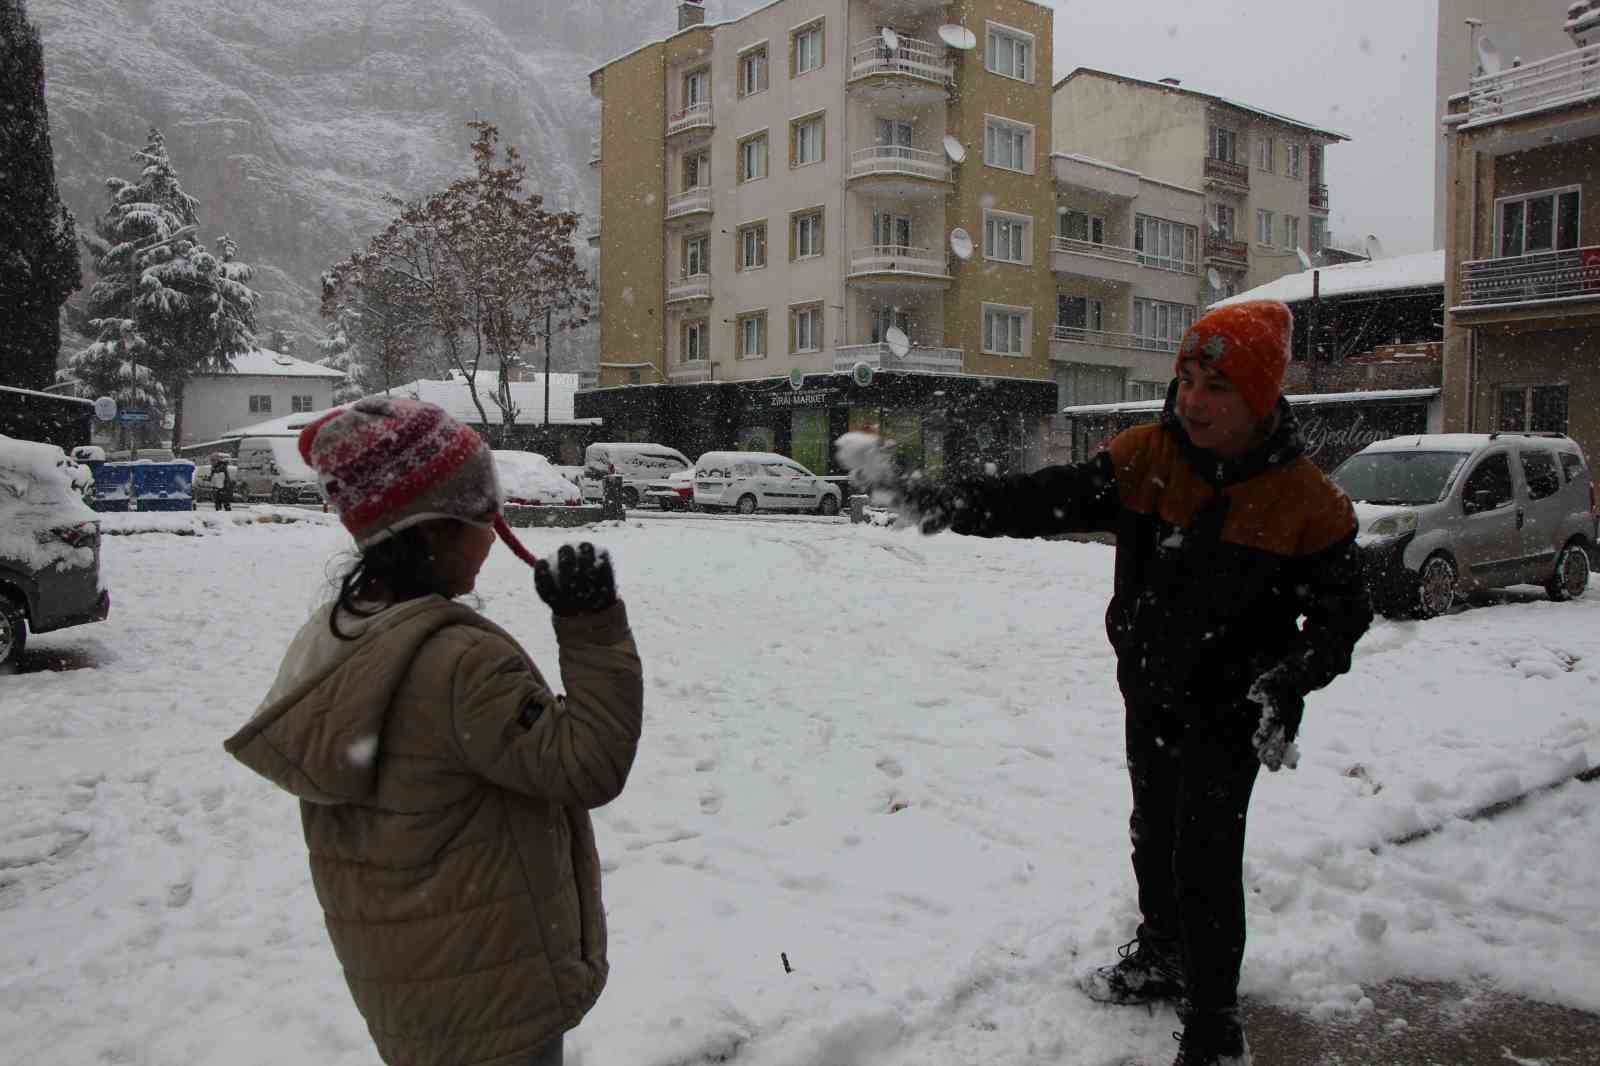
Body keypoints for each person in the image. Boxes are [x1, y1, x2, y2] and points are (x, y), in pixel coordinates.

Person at [855, 301, 1371, 1066]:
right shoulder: (1146, 458)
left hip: (1232, 710)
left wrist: (1291, 679)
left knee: (1204, 855)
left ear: (1260, 398)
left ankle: (1214, 1022)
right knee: (1154, 833)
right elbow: (1044, 499)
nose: (1193, 399)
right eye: (1187, 378)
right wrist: (946, 500)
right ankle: (1164, 953)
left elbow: (1342, 618)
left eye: (1218, 386)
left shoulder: (1307, 503)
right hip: (1152, 690)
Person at [224, 397, 644, 1066]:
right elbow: (588, 763)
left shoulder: (343, 635)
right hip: (495, 989)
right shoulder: (457, 663)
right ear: (435, 528)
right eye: (483, 513)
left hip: (416, 981)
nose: (495, 528)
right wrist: (593, 628)